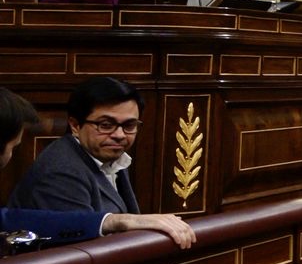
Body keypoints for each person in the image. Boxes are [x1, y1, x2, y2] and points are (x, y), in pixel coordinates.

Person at [0, 85, 193, 247]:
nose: (119, 134)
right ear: (75, 126)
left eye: (129, 125)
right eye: (106, 125)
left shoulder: (107, 154)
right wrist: (118, 222)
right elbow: (80, 252)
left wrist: (118, 221)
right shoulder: (61, 170)